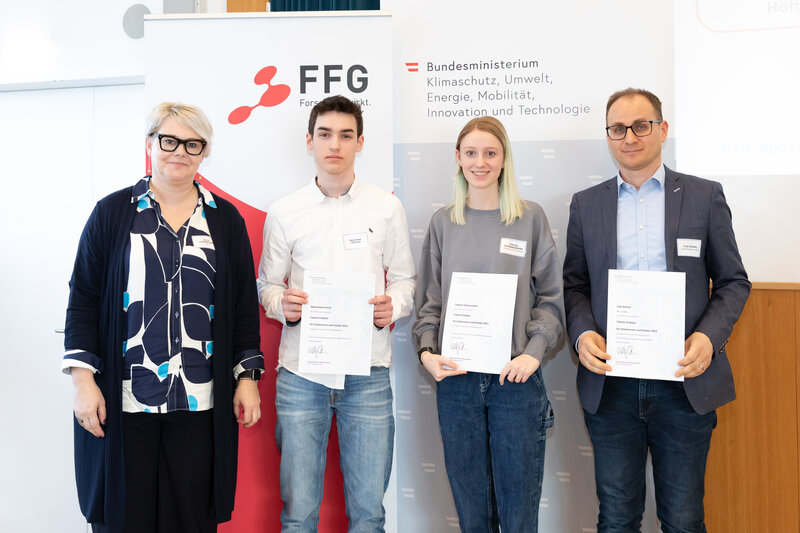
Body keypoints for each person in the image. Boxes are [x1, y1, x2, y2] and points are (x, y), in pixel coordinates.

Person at [63, 102, 264, 533]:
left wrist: (246, 379)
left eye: (193, 144)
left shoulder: (225, 221)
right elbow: (82, 298)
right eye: (169, 140)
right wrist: (83, 383)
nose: (180, 152)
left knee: (191, 520)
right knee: (123, 520)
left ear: (205, 152)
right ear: (150, 143)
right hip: (124, 400)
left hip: (198, 401)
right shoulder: (112, 213)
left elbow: (243, 306)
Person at [563, 88, 751, 532]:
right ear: (608, 136)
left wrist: (708, 337)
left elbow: (733, 282)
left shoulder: (705, 197)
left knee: (684, 520)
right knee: (616, 518)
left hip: (683, 385)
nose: (629, 136)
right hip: (612, 388)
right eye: (617, 128)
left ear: (662, 129)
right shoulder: (586, 204)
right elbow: (574, 286)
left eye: (641, 125)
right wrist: (582, 333)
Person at [257, 95, 415, 532]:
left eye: (346, 135)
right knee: (298, 514)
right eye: (325, 134)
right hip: (301, 373)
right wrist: (282, 305)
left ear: (360, 143)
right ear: (309, 141)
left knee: (369, 515)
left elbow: (405, 281)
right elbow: (267, 285)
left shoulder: (386, 207)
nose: (335, 145)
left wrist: (393, 306)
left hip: (368, 374)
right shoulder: (285, 210)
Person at [413, 116, 564, 533]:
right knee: (473, 519)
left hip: (514, 382)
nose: (480, 162)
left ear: (504, 159)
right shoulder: (444, 223)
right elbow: (430, 303)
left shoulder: (530, 218)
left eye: (490, 153)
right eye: (471, 153)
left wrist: (533, 355)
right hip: (457, 383)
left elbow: (552, 300)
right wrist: (427, 353)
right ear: (458, 159)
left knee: (518, 519)